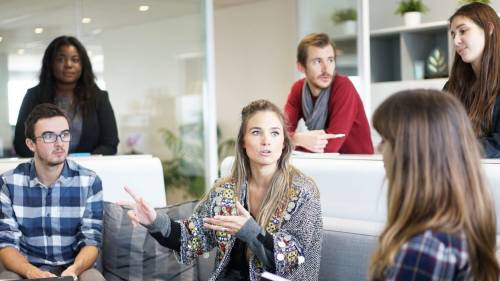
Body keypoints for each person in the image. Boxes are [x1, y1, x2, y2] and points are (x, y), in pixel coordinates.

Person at [121, 100, 322, 280]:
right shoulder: (225, 191)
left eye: (275, 133)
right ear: (243, 142)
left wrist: (251, 232)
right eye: (256, 132)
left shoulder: (303, 192)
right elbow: (192, 238)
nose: (266, 141)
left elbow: (293, 259)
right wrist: (154, 221)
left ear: (284, 142)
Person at [369, 90, 499, 281]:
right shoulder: (461, 231)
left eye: (385, 140)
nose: (379, 149)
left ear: (411, 153)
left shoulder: (424, 251)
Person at [0, 103, 104, 280]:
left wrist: (73, 271)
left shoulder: (90, 181)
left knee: (94, 278)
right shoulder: (7, 183)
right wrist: (31, 272)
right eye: (49, 136)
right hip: (26, 269)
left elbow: (91, 240)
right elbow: (6, 244)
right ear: (31, 144)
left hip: (74, 268)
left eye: (64, 134)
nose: (59, 143)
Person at [14, 35, 119, 157]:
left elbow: (110, 143)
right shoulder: (34, 96)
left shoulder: (99, 98)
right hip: (44, 172)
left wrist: (83, 163)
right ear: (50, 64)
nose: (68, 65)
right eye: (60, 59)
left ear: (83, 65)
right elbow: (21, 144)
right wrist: (53, 160)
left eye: (75, 60)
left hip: (88, 171)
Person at [284, 33, 373, 154]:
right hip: (324, 164)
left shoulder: (343, 87)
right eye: (317, 61)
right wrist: (298, 139)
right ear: (301, 67)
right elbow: (280, 135)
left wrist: (293, 141)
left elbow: (330, 146)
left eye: (330, 60)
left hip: (358, 165)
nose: (326, 69)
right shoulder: (298, 89)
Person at [445, 3, 500, 158]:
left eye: (463, 31)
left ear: (489, 29)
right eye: (453, 34)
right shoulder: (452, 86)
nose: (456, 41)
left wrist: (456, 149)